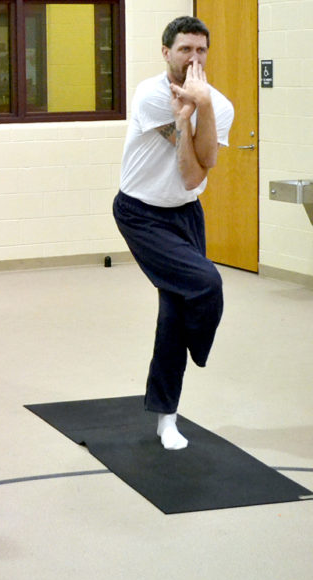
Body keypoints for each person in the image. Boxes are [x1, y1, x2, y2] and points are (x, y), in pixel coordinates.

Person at [113, 16, 234, 450]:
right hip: (140, 213)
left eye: (201, 50)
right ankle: (197, 350)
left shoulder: (220, 106)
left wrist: (200, 108)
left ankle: (167, 417)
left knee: (173, 313)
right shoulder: (150, 95)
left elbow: (207, 166)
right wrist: (185, 119)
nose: (193, 58)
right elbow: (189, 171)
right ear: (166, 52)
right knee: (205, 283)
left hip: (186, 217)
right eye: (185, 49)